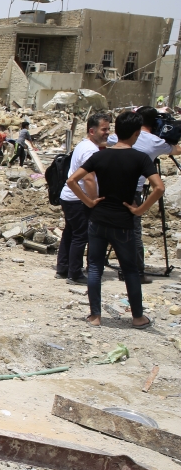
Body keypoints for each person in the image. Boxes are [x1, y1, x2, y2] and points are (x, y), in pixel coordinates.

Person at [66, 111, 163, 329]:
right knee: (130, 270)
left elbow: (72, 180)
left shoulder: (100, 155)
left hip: (98, 219)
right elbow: (159, 188)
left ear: (116, 132)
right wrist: (140, 210)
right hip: (123, 221)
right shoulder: (140, 158)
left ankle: (95, 316)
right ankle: (138, 317)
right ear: (137, 133)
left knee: (94, 268)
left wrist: (89, 201)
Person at [107, 106, 181, 282]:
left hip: (111, 189)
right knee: (134, 231)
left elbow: (105, 141)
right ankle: (136, 271)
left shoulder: (119, 137)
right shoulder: (156, 142)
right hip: (134, 191)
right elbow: (177, 149)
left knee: (107, 227)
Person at [56, 113, 109, 283]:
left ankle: (64, 268)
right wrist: (94, 201)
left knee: (71, 233)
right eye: (104, 129)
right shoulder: (90, 150)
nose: (107, 133)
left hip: (71, 197)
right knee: (81, 235)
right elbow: (88, 178)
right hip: (78, 199)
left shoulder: (85, 145)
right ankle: (75, 273)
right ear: (92, 131)